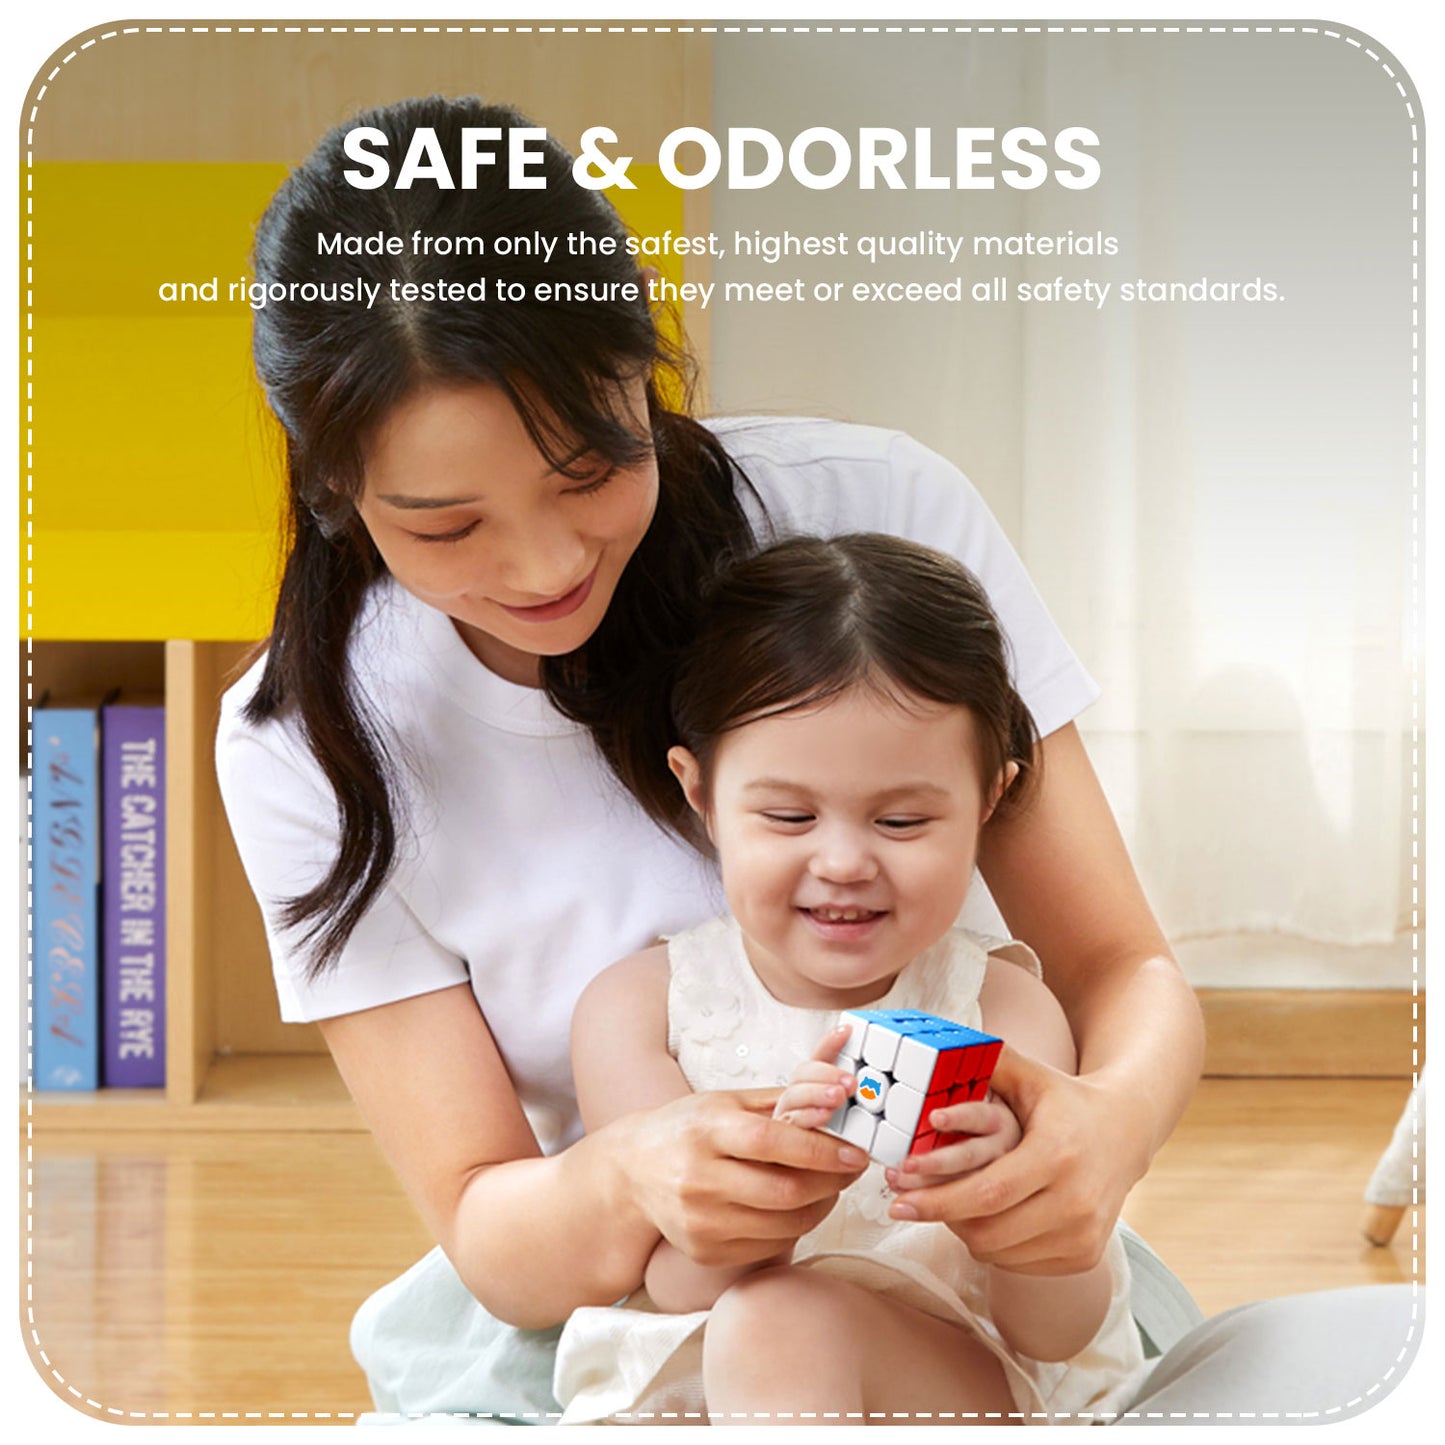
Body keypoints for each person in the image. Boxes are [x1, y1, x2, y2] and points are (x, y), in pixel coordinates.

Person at [216, 93, 1212, 1420]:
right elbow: (487, 1218)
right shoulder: (309, 744)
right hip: (610, 1288)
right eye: (447, 526)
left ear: (648, 362)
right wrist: (634, 1177)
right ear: (335, 492)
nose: (545, 563)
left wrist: (1103, 1129)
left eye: (587, 470)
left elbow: (1115, 969)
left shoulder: (873, 515)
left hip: (961, 1272)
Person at [553, 534, 1150, 1424]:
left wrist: (1006, 1205)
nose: (842, 862)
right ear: (701, 793)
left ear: (988, 800)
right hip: (709, 1379)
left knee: (778, 1321)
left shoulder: (1001, 1009)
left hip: (953, 1379)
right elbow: (674, 1286)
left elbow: (1054, 1330)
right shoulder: (638, 1010)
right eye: (788, 815)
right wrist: (763, 1198)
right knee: (760, 1316)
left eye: (902, 819)